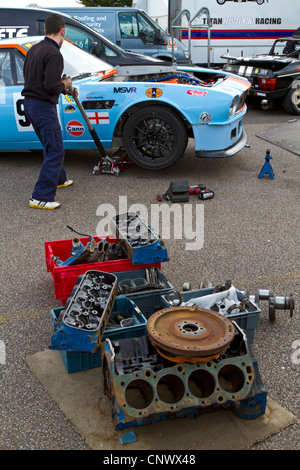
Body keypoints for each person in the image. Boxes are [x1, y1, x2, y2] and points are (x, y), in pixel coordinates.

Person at [22, 13, 77, 210]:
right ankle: (40, 196)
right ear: (63, 31)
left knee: (50, 144)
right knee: (55, 149)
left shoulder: (34, 49)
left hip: (30, 104)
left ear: (45, 30)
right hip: (43, 107)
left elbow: (35, 79)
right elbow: (52, 86)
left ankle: (59, 178)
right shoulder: (54, 54)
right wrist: (66, 84)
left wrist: (60, 86)